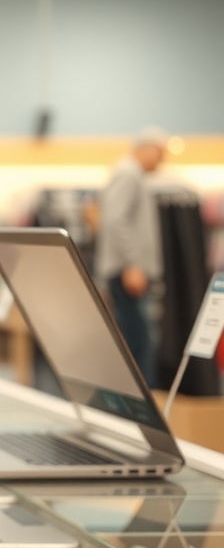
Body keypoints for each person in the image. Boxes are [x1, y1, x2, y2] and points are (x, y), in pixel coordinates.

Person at [95, 127, 168, 388]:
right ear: (145, 148)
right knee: (139, 343)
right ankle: (140, 408)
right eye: (160, 153)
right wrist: (132, 264)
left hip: (128, 270)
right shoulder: (128, 173)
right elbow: (116, 220)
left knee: (137, 340)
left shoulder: (131, 174)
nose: (162, 160)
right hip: (128, 273)